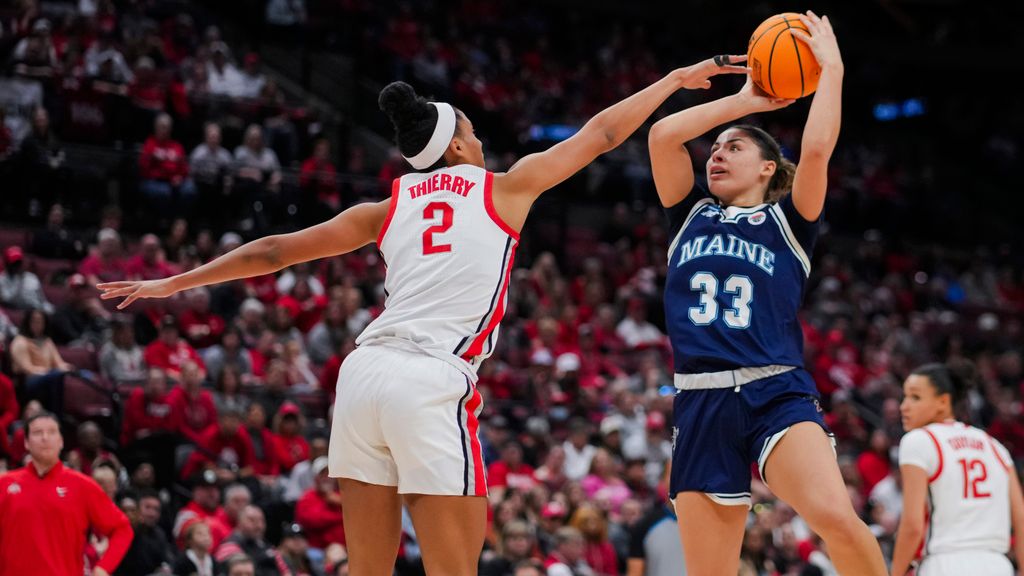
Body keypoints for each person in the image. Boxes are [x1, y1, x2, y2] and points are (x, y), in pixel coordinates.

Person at [96, 55, 747, 575]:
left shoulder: (388, 206)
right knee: (456, 566)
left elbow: (274, 250)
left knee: (368, 569)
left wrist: (173, 283)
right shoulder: (505, 187)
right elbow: (603, 134)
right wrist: (673, 80)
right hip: (430, 378)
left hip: (361, 377)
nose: (480, 135)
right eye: (470, 129)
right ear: (459, 150)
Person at [646, 12, 886, 575]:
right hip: (699, 397)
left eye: (733, 148)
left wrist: (833, 72)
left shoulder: (790, 221)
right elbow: (663, 135)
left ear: (768, 168)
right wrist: (748, 101)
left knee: (835, 518)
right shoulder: (690, 217)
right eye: (716, 148)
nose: (717, 153)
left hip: (774, 389)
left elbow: (820, 150)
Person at [890, 362, 1024, 576]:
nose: (903, 406)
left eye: (915, 397)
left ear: (943, 401)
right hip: (998, 565)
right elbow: (1021, 518)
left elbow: (913, 525)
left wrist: (895, 573)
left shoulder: (919, 440)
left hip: (945, 563)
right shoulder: (995, 446)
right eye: (904, 397)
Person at [0, 412, 134, 576]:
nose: (45, 438)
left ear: (61, 441)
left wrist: (102, 569)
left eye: (51, 432)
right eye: (37, 433)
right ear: (26, 443)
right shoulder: (4, 484)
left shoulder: (82, 485)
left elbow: (122, 529)